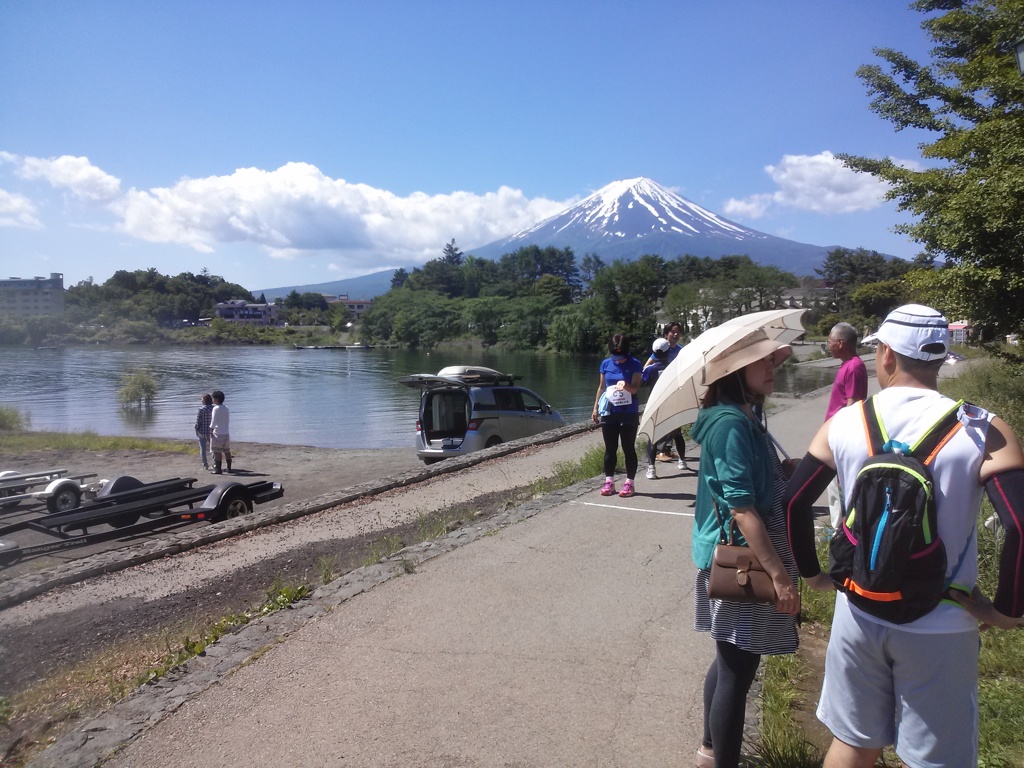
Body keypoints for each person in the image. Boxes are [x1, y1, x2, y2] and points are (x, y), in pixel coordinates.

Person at [783, 304, 1024, 767]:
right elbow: (1020, 524)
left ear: (888, 355)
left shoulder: (845, 422)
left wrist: (814, 576)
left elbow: (794, 503)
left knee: (853, 742)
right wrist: (1006, 610)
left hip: (858, 610)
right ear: (940, 358)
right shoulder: (983, 429)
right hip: (942, 619)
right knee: (936, 758)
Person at [689, 331, 804, 768]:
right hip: (745, 561)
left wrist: (781, 470)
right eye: (763, 362)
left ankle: (709, 749)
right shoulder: (732, 424)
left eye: (773, 360)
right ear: (736, 371)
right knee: (738, 669)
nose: (772, 367)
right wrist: (779, 578)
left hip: (739, 555)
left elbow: (750, 485)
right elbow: (741, 508)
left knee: (728, 658)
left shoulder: (742, 415)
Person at [824, 322, 868, 527]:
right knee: (832, 488)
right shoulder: (847, 365)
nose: (828, 345)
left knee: (837, 488)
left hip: (840, 434)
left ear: (840, 342)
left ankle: (840, 532)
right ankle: (837, 529)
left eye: (829, 341)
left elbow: (853, 404)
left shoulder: (854, 366)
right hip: (834, 431)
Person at [592, 333, 643, 498]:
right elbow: (601, 387)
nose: (618, 360)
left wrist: (626, 386)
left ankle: (630, 482)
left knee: (628, 447)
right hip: (609, 412)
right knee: (610, 448)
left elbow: (635, 388)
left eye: (621, 357)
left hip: (628, 413)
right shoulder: (606, 364)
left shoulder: (635, 364)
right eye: (615, 356)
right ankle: (609, 481)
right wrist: (595, 409)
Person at [645, 322, 691, 470]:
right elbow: (646, 366)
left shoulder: (680, 351)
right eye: (672, 332)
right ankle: (665, 451)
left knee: (674, 429)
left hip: (673, 393)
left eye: (678, 332)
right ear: (666, 334)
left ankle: (661, 457)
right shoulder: (660, 349)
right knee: (668, 428)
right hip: (662, 395)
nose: (675, 335)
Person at [642, 338, 672, 480]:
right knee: (675, 433)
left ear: (653, 352)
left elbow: (641, 382)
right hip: (671, 403)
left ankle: (651, 468)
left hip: (654, 404)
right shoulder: (674, 367)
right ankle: (682, 460)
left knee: (652, 437)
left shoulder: (650, 369)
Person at [210, 389, 233, 475]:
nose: (212, 400)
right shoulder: (226, 408)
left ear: (216, 399)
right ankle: (229, 468)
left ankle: (218, 469)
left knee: (217, 452)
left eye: (213, 398)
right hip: (226, 432)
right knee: (227, 451)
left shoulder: (216, 408)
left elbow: (213, 421)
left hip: (218, 433)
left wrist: (211, 430)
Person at [194, 393, 213, 471]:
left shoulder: (201, 409)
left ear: (204, 401)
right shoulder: (214, 408)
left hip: (202, 431)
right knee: (213, 448)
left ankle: (205, 465)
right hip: (211, 432)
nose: (201, 401)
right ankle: (215, 463)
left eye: (201, 399)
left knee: (203, 448)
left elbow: (198, 421)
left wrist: (196, 429)